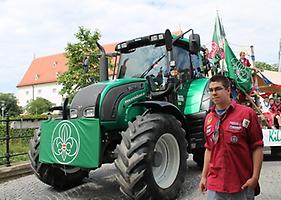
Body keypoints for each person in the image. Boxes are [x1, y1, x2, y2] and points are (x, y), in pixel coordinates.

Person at [199, 74, 264, 200]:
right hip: (215, 185)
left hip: (241, 184)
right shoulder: (209, 118)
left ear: (228, 90)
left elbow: (257, 147)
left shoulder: (247, 114)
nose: (214, 93)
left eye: (218, 89)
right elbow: (209, 149)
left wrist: (255, 177)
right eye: (211, 90)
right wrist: (204, 176)